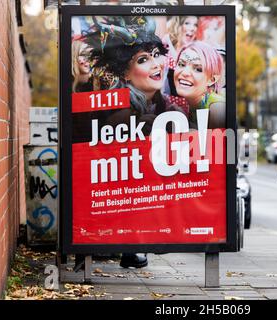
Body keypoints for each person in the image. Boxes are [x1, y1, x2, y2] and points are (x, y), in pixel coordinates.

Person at [76, 16, 182, 270]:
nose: (156, 64)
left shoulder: (158, 102)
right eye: (143, 60)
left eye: (156, 54)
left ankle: (125, 247)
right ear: (124, 71)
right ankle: (120, 247)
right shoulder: (123, 107)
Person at [173, 41, 225, 129]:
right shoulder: (190, 103)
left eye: (198, 69)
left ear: (212, 79)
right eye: (181, 64)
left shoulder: (217, 108)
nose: (185, 73)